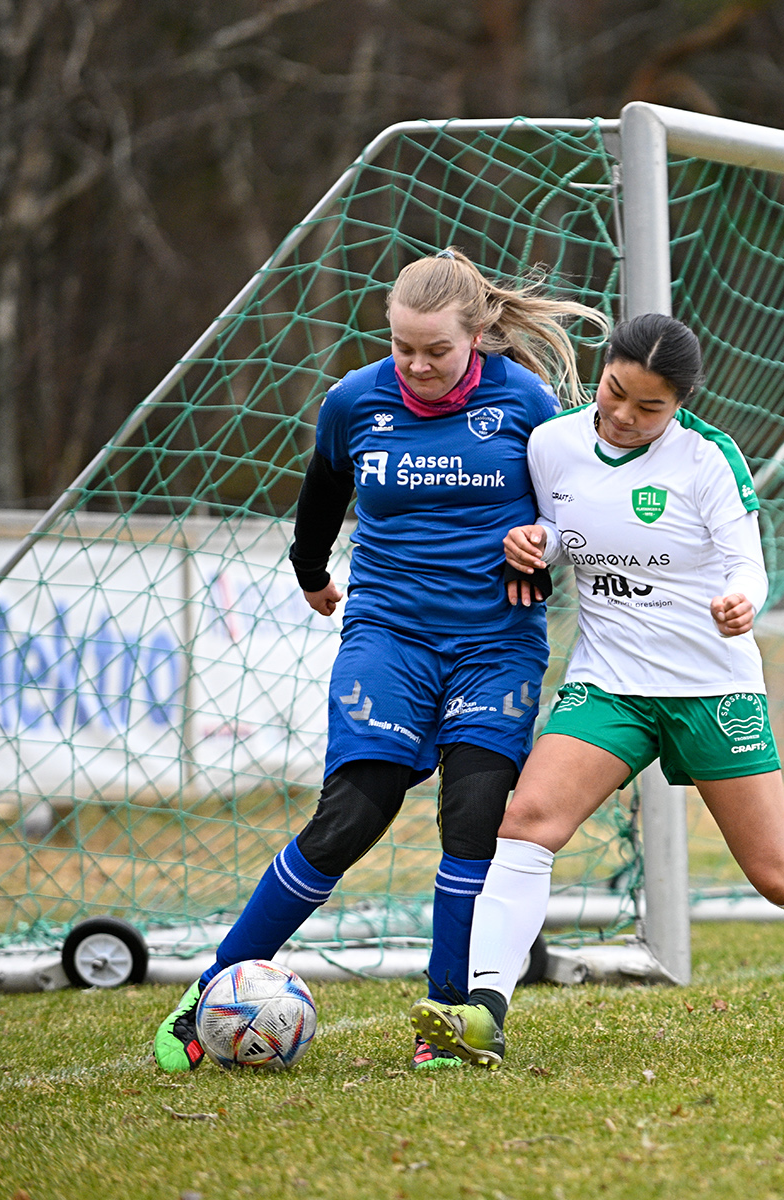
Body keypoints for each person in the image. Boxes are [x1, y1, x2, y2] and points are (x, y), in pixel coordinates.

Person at [408, 313, 784, 1066]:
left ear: (680, 405)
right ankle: (484, 1011)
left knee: (776, 873)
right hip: (610, 682)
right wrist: (536, 543)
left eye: (649, 407)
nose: (624, 415)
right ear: (603, 371)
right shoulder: (551, 444)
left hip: (711, 686)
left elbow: (745, 564)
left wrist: (743, 601)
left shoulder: (708, 458)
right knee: (526, 823)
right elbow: (563, 530)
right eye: (615, 392)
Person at [152, 247, 606, 1072]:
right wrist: (311, 573)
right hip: (389, 633)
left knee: (474, 819)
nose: (418, 365)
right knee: (354, 813)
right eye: (403, 347)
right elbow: (323, 490)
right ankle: (210, 989)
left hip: (496, 643)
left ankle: (450, 1019)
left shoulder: (525, 401)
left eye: (437, 350)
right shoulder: (354, 401)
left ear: (477, 336)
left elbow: (570, 513)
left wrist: (539, 547)